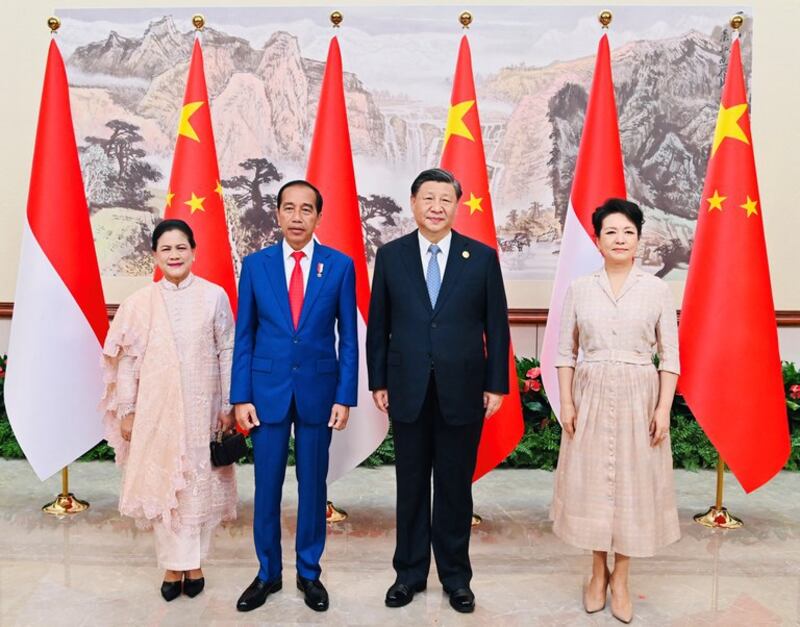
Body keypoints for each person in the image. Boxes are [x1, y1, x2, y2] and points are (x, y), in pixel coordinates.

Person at [366, 168, 510, 614]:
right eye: (428, 198)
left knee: (453, 489)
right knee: (409, 486)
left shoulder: (481, 258)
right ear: (413, 203)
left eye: (445, 199)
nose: (436, 207)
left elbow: (496, 327)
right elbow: (380, 326)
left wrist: (496, 385)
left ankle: (455, 578)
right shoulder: (391, 257)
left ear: (456, 205)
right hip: (407, 387)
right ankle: (408, 575)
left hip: (462, 389)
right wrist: (378, 381)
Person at [550, 198, 681, 624]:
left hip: (639, 393)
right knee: (590, 483)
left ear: (639, 238)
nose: (620, 238)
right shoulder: (580, 288)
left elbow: (671, 357)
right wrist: (567, 401)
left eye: (628, 231)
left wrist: (663, 408)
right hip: (590, 393)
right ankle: (595, 572)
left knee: (631, 487)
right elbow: (565, 351)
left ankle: (621, 576)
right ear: (598, 239)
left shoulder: (657, 290)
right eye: (611, 232)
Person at [231, 180, 357, 613]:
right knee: (266, 486)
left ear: (318, 216)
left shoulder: (339, 266)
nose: (298, 217)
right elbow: (243, 335)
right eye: (289, 208)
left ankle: (309, 572)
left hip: (319, 393)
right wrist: (240, 396)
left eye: (307, 209)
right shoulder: (255, 265)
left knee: (312, 486)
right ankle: (267, 572)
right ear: (278, 215)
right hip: (265, 394)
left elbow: (349, 338)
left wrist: (345, 395)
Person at [101, 219, 237, 602]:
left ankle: (194, 564)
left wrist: (228, 403)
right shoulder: (138, 304)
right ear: (155, 256)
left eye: (181, 248)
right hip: (155, 411)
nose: (174, 255)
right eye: (166, 249)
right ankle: (170, 565)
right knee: (165, 484)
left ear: (194, 251)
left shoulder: (214, 296)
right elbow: (127, 361)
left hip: (203, 407)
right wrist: (127, 410)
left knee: (198, 484)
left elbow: (227, 350)